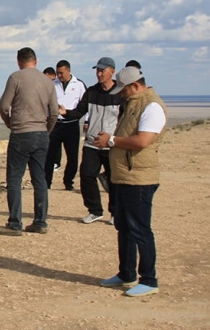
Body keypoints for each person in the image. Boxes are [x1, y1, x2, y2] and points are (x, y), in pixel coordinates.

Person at [93, 66, 167, 297]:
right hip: (124, 176)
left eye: (123, 90)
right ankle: (126, 273)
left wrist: (111, 140)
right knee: (123, 227)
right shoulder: (133, 104)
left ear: (135, 86)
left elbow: (143, 141)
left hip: (139, 178)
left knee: (140, 229)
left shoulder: (152, 107)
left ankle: (149, 279)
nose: (120, 94)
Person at [0, 47, 59, 236]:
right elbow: (54, 112)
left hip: (21, 133)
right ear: (36, 61)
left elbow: (4, 105)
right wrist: (47, 129)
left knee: (14, 179)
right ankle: (40, 222)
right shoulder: (47, 82)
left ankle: (15, 224)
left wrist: (9, 122)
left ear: (18, 61)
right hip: (40, 133)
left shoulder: (15, 77)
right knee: (39, 179)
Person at [59, 57, 121, 225]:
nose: (99, 74)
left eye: (102, 70)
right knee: (86, 175)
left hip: (112, 144)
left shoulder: (121, 93)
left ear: (112, 72)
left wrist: (117, 139)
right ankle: (95, 211)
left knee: (113, 179)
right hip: (92, 143)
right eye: (97, 71)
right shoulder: (92, 92)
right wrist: (65, 112)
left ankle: (116, 213)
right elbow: (79, 111)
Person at [45, 60, 86, 190]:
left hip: (71, 124)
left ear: (68, 71)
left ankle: (68, 182)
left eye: (61, 73)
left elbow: (85, 105)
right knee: (49, 155)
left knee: (72, 157)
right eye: (57, 73)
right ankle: (47, 183)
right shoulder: (53, 84)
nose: (59, 76)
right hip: (55, 124)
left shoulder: (79, 85)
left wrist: (87, 121)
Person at [43, 67, 62, 171]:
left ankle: (56, 163)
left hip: (55, 118)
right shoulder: (41, 86)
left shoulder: (55, 86)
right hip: (44, 118)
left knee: (55, 142)